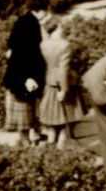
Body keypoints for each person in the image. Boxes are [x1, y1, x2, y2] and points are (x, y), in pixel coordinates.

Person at [36, 16, 85, 148]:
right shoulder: (65, 45)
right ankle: (61, 144)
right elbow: (63, 69)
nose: (63, 29)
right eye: (61, 26)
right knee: (65, 117)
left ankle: (51, 146)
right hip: (61, 83)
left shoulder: (43, 44)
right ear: (57, 27)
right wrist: (64, 89)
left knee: (52, 117)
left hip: (48, 82)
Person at [2, 7, 48, 144]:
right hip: (23, 79)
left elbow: (12, 49)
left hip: (21, 78)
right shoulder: (30, 25)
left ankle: (30, 137)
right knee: (24, 115)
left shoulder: (25, 21)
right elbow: (25, 56)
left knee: (28, 112)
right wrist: (26, 78)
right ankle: (25, 142)